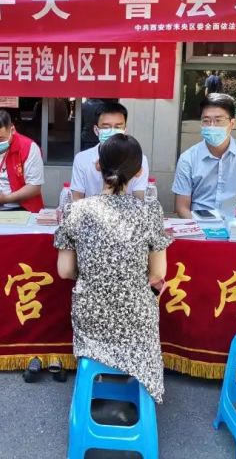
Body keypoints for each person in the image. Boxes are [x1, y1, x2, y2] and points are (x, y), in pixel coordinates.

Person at [54, 134, 171, 403]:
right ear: (139, 172)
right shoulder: (150, 211)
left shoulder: (76, 210)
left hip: (90, 315)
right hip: (136, 318)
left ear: (98, 166)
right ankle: (142, 388)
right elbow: (158, 273)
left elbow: (64, 271)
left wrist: (95, 273)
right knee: (146, 303)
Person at [70, 101, 149, 201]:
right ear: (96, 130)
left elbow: (139, 198)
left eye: (118, 127)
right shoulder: (82, 159)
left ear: (125, 129)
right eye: (106, 127)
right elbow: (77, 197)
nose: (112, 132)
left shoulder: (139, 159)